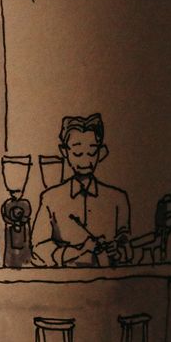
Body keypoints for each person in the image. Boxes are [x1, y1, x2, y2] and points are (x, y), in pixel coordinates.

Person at [32, 113, 131, 267]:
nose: (85, 160)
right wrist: (77, 252)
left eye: (91, 152)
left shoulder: (117, 198)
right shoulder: (50, 198)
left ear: (101, 152)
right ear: (64, 152)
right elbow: (38, 248)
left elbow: (128, 244)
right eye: (77, 153)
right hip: (64, 278)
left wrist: (118, 251)